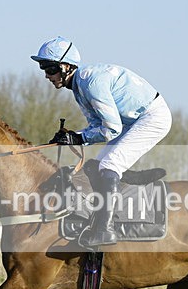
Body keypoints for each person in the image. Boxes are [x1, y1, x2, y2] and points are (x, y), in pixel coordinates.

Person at [31, 36, 172, 247]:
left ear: (66, 66)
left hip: (152, 117)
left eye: (50, 69)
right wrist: (73, 136)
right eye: (43, 68)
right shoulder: (79, 86)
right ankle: (101, 215)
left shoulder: (90, 83)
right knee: (98, 166)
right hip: (131, 121)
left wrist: (79, 138)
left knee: (110, 164)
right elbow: (97, 126)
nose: (46, 75)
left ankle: (104, 229)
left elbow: (111, 129)